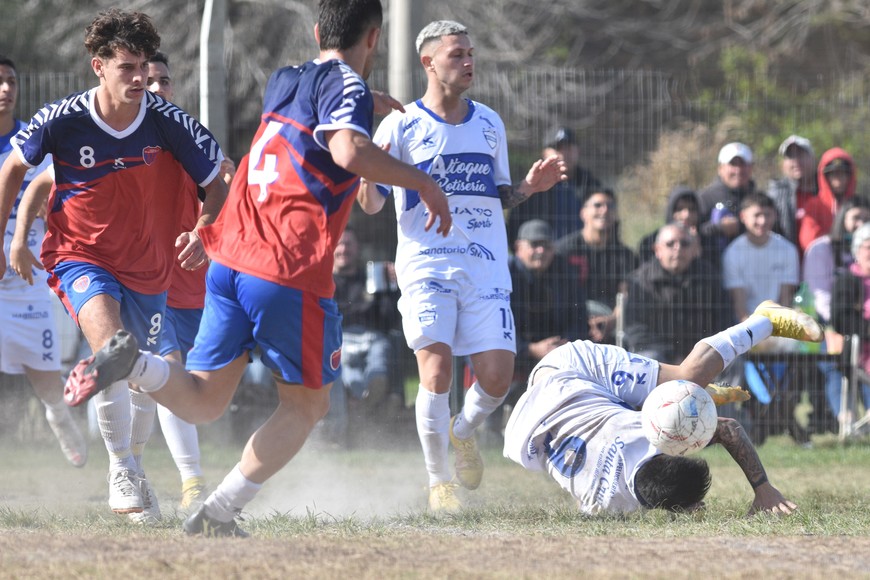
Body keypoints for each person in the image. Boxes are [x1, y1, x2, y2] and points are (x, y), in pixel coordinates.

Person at [64, 0, 452, 537]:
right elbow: (346, 150)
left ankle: (130, 364)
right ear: (375, 39)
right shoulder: (349, 89)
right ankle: (220, 511)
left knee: (202, 401)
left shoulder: (286, 78)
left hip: (232, 258)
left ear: (317, 31)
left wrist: (360, 104)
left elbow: (313, 127)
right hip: (286, 267)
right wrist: (423, 181)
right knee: (308, 405)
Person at [0, 11, 229, 518]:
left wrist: (202, 230)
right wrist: (6, 238)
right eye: (127, 67)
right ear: (98, 66)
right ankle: (121, 466)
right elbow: (16, 168)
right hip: (80, 255)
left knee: (140, 378)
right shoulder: (63, 119)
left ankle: (137, 462)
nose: (139, 78)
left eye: (143, 66)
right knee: (114, 350)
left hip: (149, 267)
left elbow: (217, 185)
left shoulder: (167, 122)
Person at [361, 20, 567, 512]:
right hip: (427, 263)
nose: (469, 62)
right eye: (457, 55)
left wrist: (529, 190)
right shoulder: (401, 124)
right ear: (428, 63)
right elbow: (370, 205)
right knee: (435, 374)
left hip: (486, 267)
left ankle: (463, 429)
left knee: (498, 377)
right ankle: (439, 484)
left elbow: (498, 197)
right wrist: (368, 166)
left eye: (471, 53)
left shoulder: (489, 123)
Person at [503, 299, 821, 516]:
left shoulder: (650, 438)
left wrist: (763, 490)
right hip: (542, 407)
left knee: (689, 377)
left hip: (571, 371)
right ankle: (759, 328)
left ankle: (763, 320)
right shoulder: (601, 505)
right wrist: (762, 488)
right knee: (684, 386)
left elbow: (729, 429)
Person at [0, 55, 87, 469]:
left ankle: (58, 416)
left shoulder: (30, 145)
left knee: (46, 379)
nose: (6, 90)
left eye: (11, 81)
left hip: (26, 274)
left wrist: (42, 214)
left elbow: (54, 198)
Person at [723, 193, 801, 444]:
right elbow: (739, 302)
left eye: (767, 214)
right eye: (756, 214)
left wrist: (775, 332)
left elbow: (786, 299)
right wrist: (753, 333)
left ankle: (780, 416)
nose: (762, 220)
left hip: (781, 329)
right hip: (747, 330)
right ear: (744, 217)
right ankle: (772, 417)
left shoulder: (787, 250)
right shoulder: (734, 253)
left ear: (775, 216)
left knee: (796, 361)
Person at [501, 219, 587, 435]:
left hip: (557, 350)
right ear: (519, 247)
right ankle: (492, 430)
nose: (541, 251)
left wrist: (567, 344)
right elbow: (496, 325)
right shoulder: (503, 274)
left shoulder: (564, 272)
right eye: (535, 244)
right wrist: (530, 349)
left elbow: (579, 317)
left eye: (547, 245)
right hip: (514, 351)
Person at [325, 225, 403, 445]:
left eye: (348, 244)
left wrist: (392, 284)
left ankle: (370, 392)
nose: (343, 249)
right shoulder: (325, 281)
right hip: (341, 340)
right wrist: (364, 307)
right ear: (331, 249)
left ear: (357, 248)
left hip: (372, 338)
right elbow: (332, 315)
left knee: (379, 357)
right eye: (339, 244)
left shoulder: (370, 277)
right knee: (349, 373)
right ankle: (363, 411)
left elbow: (387, 318)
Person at [803, 196, 870, 428]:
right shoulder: (821, 249)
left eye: (866, 218)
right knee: (837, 360)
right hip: (830, 323)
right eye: (856, 218)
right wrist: (849, 327)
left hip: (860, 323)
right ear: (843, 220)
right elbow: (821, 297)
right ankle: (846, 419)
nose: (861, 223)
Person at [624, 223, 731, 364]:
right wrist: (672, 355)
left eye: (685, 243)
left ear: (694, 249)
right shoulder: (640, 281)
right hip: (657, 355)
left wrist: (698, 353)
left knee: (731, 362)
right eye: (670, 244)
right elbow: (635, 329)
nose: (678, 248)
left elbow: (723, 320)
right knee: (650, 358)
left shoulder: (708, 276)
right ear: (657, 250)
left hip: (700, 355)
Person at [556, 188, 638, 344]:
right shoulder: (563, 250)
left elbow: (626, 294)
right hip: (569, 324)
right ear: (583, 212)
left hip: (611, 325)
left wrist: (612, 320)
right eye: (598, 205)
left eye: (610, 206)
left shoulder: (625, 255)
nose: (605, 210)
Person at [506, 126, 601, 243]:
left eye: (569, 147)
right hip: (541, 256)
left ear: (578, 150)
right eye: (558, 148)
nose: (564, 153)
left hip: (581, 256)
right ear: (545, 153)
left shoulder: (592, 185)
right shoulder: (531, 187)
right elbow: (514, 228)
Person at [830, 222, 870, 429]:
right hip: (859, 349)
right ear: (857, 250)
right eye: (868, 247)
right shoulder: (847, 280)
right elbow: (840, 318)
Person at [697, 142, 757, 259]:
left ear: (751, 168)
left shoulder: (758, 198)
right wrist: (718, 228)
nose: (738, 170)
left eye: (743, 164)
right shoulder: (704, 198)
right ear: (720, 168)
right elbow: (692, 233)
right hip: (714, 268)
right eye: (733, 164)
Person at [637, 185, 718, 267]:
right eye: (679, 209)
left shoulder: (708, 242)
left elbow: (712, 275)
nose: (686, 215)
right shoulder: (649, 242)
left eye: (692, 209)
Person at [800, 148, 857, 253]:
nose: (838, 179)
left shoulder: (857, 205)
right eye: (834, 174)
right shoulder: (814, 205)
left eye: (843, 173)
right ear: (825, 177)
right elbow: (809, 243)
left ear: (850, 176)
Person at [767, 135, 817, 253]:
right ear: (783, 164)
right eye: (790, 156)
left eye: (801, 155)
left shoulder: (826, 192)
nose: (796, 161)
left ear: (813, 159)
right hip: (785, 264)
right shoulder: (773, 196)